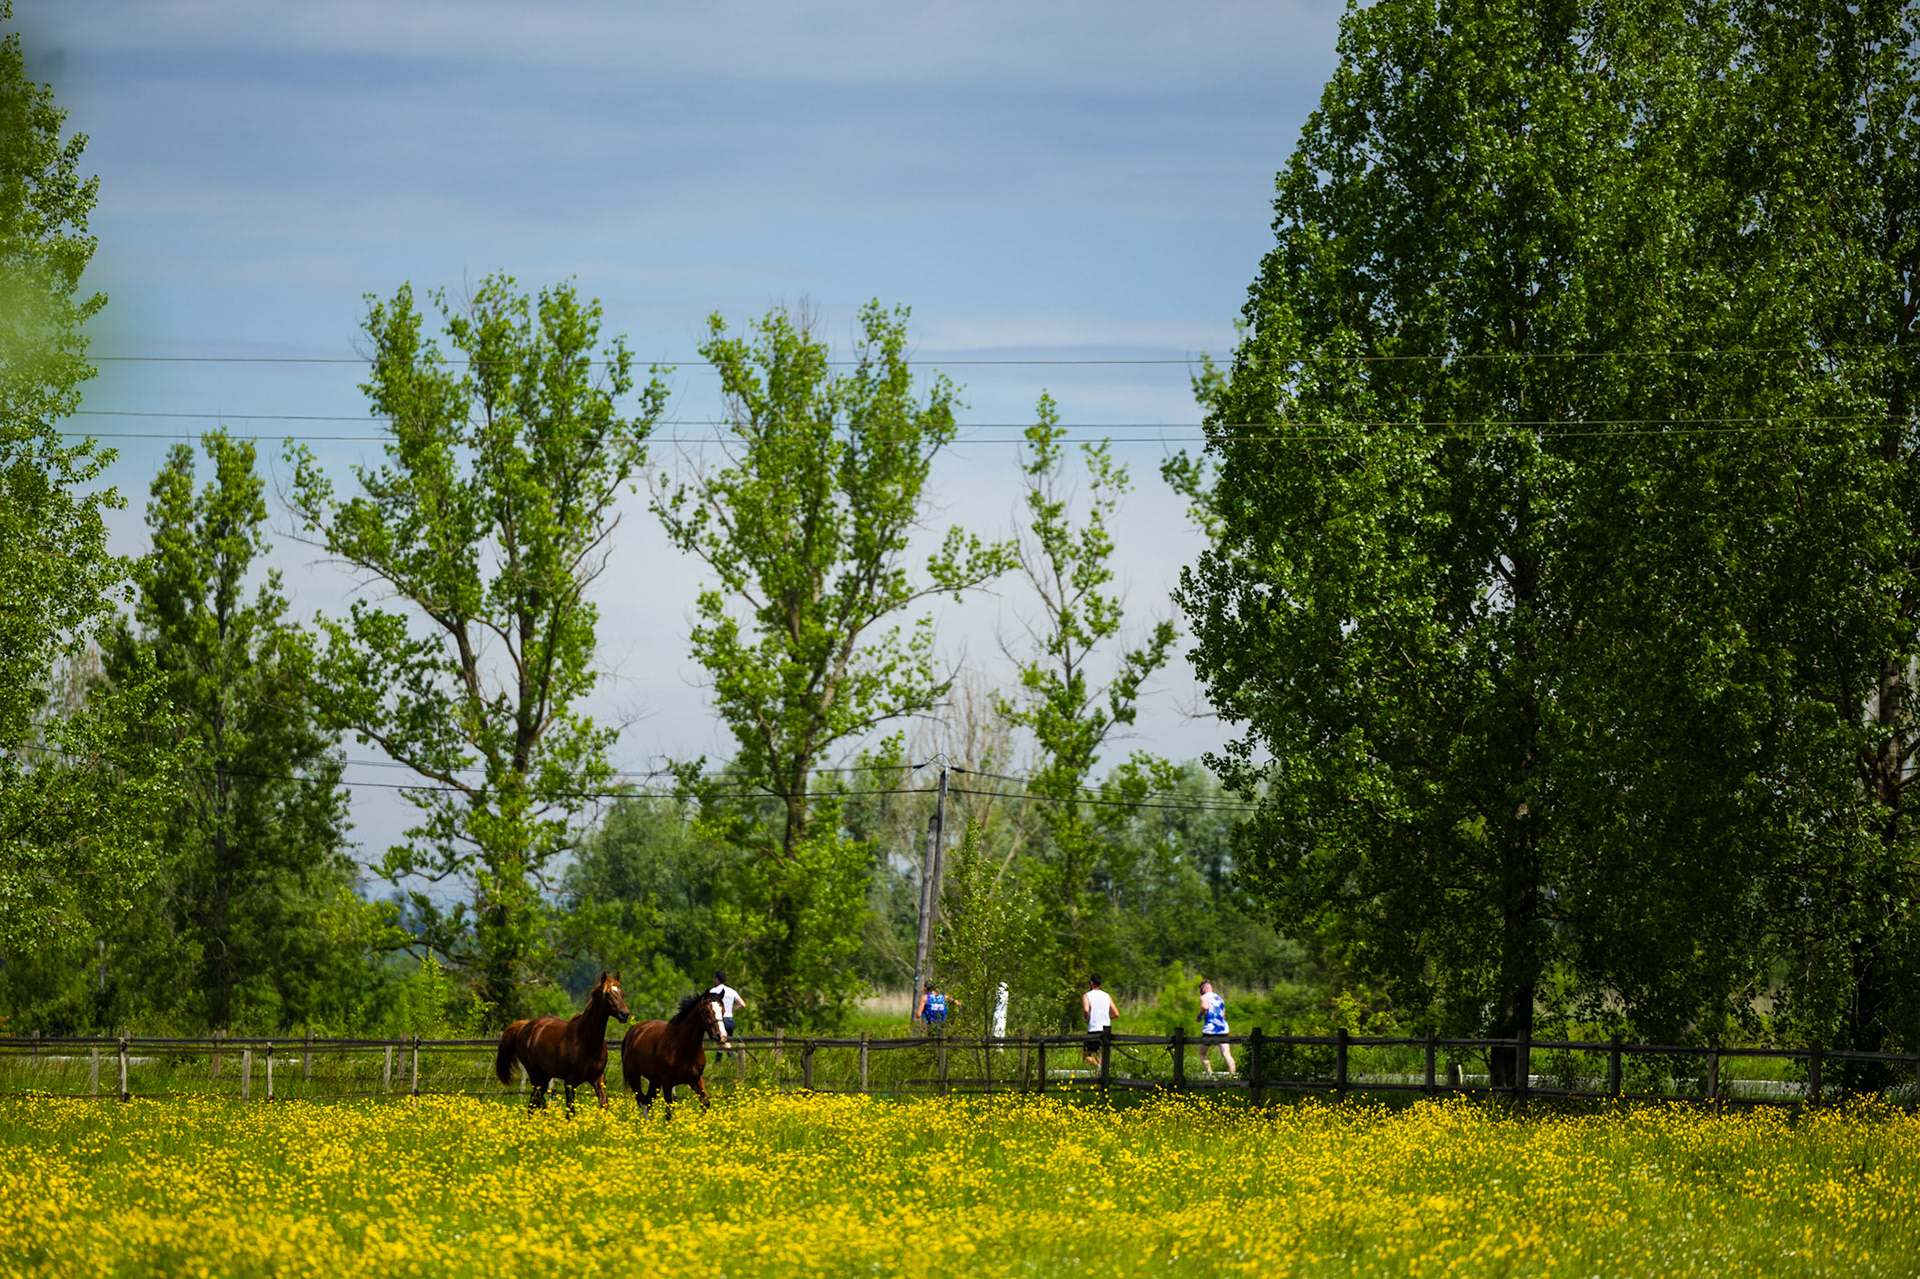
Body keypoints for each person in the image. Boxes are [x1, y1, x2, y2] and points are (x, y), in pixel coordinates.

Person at [1197, 978, 1237, 1075]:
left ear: (1203, 989)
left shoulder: (1204, 997)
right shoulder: (1219, 998)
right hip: (1222, 1029)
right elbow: (1223, 1014)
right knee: (1227, 1054)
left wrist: (1199, 1016)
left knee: (1202, 1053)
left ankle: (1210, 1074)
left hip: (1210, 1029)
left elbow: (1205, 1007)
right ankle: (1233, 1074)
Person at [1082, 974, 1118, 1067]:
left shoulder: (1087, 996)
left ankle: (1098, 1067)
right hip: (1106, 1028)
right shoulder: (1107, 996)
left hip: (1094, 1028)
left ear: (1091, 983)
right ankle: (1102, 1072)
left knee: (1086, 1055)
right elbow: (1116, 1013)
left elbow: (1086, 1010)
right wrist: (1107, 1017)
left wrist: (1085, 1017)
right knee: (1099, 1052)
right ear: (1100, 983)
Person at [709, 970, 748, 1040]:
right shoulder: (732, 991)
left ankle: (727, 1051)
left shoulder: (713, 991)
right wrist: (731, 1008)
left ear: (717, 979)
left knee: (719, 1042)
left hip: (720, 1020)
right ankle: (727, 1051)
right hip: (730, 1020)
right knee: (727, 1042)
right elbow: (743, 1004)